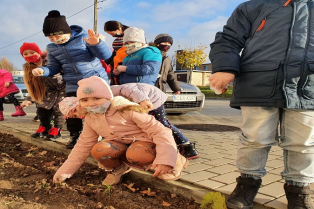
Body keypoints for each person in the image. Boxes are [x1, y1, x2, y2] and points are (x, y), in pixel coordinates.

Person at [209, 1, 314, 208]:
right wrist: (225, 67)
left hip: (307, 85)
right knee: (255, 138)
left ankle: (299, 189)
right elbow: (228, 40)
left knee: (303, 143)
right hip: (258, 82)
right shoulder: (254, 6)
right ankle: (248, 182)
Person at [53, 76, 189, 186]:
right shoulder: (90, 119)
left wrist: (166, 159)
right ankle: (119, 168)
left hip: (144, 143)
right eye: (85, 100)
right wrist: (64, 172)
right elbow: (83, 145)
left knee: (138, 156)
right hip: (122, 145)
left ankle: (177, 158)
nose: (91, 104)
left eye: (96, 98)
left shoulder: (125, 108)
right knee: (100, 150)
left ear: (107, 97)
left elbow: (160, 131)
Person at [31, 10, 112, 149]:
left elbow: (105, 55)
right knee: (72, 110)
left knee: (100, 110)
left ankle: (106, 137)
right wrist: (43, 71)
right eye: (51, 38)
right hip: (73, 84)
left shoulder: (84, 38)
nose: (56, 39)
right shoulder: (52, 48)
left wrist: (96, 44)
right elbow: (54, 67)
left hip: (95, 81)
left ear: (67, 31)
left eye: (58, 35)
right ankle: (75, 136)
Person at [60, 82, 200, 159]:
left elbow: (130, 89)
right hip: (138, 101)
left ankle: (186, 145)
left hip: (151, 97)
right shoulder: (96, 106)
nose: (78, 116)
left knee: (161, 125)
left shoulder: (105, 94)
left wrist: (143, 100)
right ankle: (156, 148)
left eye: (75, 112)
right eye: (74, 117)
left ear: (77, 103)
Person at [19, 42, 65, 140]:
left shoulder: (50, 62)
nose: (29, 55)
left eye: (32, 52)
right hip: (47, 92)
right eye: (25, 54)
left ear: (39, 52)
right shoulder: (29, 68)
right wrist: (29, 99)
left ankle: (57, 129)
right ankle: (45, 127)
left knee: (59, 110)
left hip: (62, 88)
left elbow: (65, 71)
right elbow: (33, 87)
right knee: (41, 110)